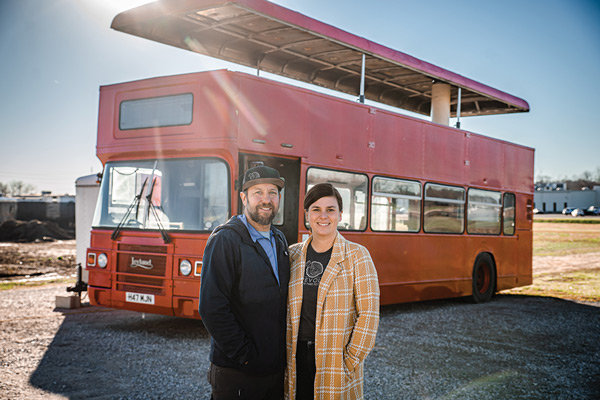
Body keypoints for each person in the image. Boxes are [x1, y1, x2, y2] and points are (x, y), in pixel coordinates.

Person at [199, 165, 290, 400]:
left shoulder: (279, 239)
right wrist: (246, 356)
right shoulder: (225, 240)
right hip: (237, 373)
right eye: (258, 192)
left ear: (279, 199)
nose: (266, 199)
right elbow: (212, 308)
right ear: (243, 198)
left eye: (272, 192)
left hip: (273, 372)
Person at [285, 183, 380, 400]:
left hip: (335, 360)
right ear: (307, 215)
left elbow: (369, 315)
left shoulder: (357, 256)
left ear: (340, 215)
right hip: (294, 359)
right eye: (316, 209)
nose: (323, 216)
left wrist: (350, 361)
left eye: (330, 209)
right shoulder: (292, 255)